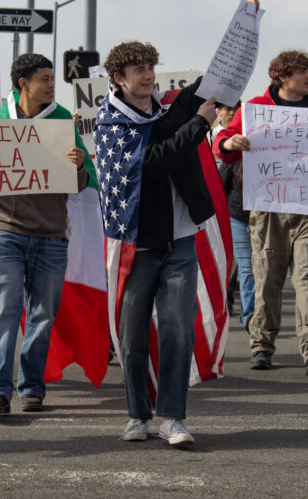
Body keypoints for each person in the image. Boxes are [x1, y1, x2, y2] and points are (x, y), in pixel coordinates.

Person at [95, 41, 220, 448]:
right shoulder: (112, 124)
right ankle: (137, 416)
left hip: (181, 241)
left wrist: (245, 30)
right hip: (136, 245)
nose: (148, 75)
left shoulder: (169, 109)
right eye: (138, 70)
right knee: (132, 337)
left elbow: (216, 82)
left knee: (177, 329)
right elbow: (156, 162)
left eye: (151, 66)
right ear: (119, 78)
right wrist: (200, 125)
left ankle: (173, 418)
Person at [0, 53, 90, 414]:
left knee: (43, 316)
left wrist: (78, 166)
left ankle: (31, 386)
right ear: (23, 85)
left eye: (51, 77)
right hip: (7, 232)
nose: (51, 84)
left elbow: (80, 184)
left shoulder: (62, 121)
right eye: (44, 78)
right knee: (3, 310)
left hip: (51, 236)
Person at [213, 49, 308, 375]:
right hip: (267, 208)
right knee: (267, 278)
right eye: (302, 72)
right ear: (282, 77)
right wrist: (231, 143)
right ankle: (262, 345)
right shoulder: (256, 110)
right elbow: (221, 143)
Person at [216, 102, 255, 326]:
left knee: (258, 269)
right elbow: (221, 184)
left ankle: (252, 313)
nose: (230, 114)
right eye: (226, 110)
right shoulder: (236, 150)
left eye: (234, 110)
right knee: (246, 267)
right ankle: (249, 316)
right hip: (237, 215)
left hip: (263, 216)